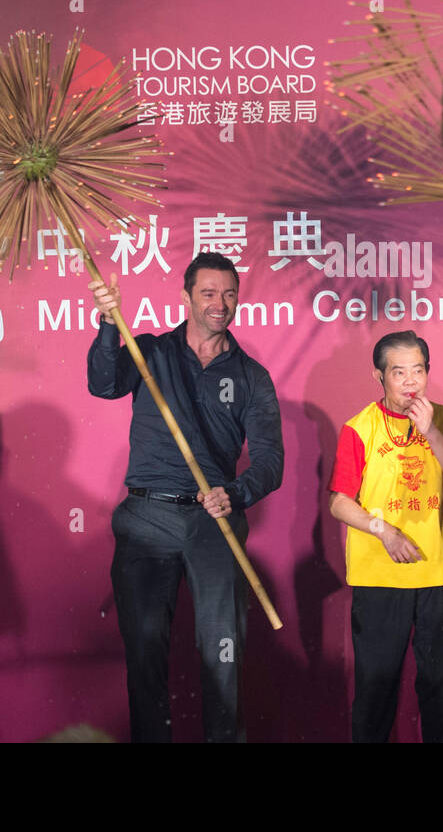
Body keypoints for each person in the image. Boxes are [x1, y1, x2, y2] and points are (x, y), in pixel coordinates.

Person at [88, 251, 283, 743]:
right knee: (146, 650)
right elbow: (103, 384)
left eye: (229, 293)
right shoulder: (148, 351)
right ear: (186, 297)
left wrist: (233, 493)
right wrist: (110, 324)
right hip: (146, 519)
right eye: (209, 293)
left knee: (223, 652)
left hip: (214, 523)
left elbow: (269, 462)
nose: (221, 303)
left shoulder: (251, 377)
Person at [327, 330, 443, 742]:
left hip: (439, 575)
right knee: (375, 692)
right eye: (399, 372)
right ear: (380, 377)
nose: (410, 381)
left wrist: (431, 432)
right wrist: (383, 530)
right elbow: (339, 502)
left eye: (418, 370)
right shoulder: (360, 428)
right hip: (380, 578)